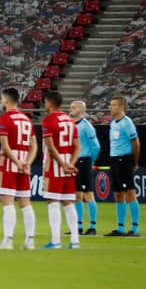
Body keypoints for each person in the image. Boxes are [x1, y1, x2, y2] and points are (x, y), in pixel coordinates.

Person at [0, 86, 37, 250]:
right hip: (24, 164)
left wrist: (17, 162)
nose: (1, 101)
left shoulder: (5, 119)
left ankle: (8, 240)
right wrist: (27, 162)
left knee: (8, 202)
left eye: (2, 98)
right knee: (25, 203)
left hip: (10, 164)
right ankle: (30, 240)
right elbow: (34, 146)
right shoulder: (26, 119)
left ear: (6, 100)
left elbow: (5, 146)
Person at [40, 90, 81, 250]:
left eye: (45, 102)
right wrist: (70, 163)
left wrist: (63, 164)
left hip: (55, 165)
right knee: (68, 202)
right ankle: (75, 241)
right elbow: (77, 146)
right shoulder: (70, 121)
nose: (44, 104)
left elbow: (51, 147)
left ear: (50, 103)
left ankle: (55, 241)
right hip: (68, 165)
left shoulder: (48, 120)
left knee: (53, 201)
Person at [106, 96, 140, 237]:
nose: (111, 107)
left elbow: (136, 143)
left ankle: (135, 228)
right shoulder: (113, 123)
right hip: (114, 160)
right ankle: (120, 227)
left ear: (121, 107)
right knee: (118, 194)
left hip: (124, 160)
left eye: (114, 105)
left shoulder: (127, 123)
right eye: (111, 104)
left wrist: (135, 162)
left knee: (130, 193)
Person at [68, 100, 99, 235]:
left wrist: (91, 161)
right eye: (71, 107)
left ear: (81, 110)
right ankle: (78, 226)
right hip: (74, 161)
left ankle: (92, 226)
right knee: (76, 195)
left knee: (88, 194)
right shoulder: (70, 124)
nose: (71, 109)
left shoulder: (86, 126)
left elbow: (96, 146)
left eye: (74, 107)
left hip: (84, 161)